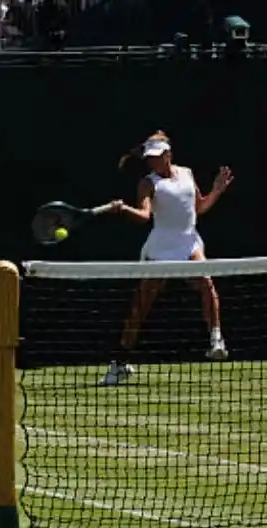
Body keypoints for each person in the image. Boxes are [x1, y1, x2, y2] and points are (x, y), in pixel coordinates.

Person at [100, 131, 234, 385]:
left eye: (156, 157)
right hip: (160, 249)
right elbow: (144, 216)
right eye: (149, 158)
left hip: (188, 242)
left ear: (168, 154)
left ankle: (216, 339)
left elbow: (199, 208)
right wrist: (125, 209)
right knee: (140, 308)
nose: (152, 162)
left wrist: (216, 191)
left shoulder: (187, 174)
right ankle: (119, 363)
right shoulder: (148, 184)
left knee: (207, 283)